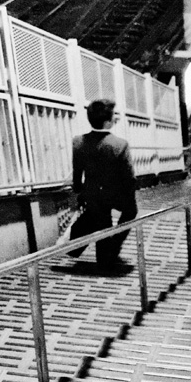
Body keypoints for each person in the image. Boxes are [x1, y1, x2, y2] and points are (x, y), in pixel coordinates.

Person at [69, 99, 137, 270]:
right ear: (108, 121)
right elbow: (129, 177)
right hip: (114, 195)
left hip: (91, 194)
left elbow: (77, 173)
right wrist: (129, 197)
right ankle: (113, 247)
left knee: (101, 219)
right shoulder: (120, 144)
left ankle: (104, 257)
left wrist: (79, 193)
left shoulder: (78, 142)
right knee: (130, 211)